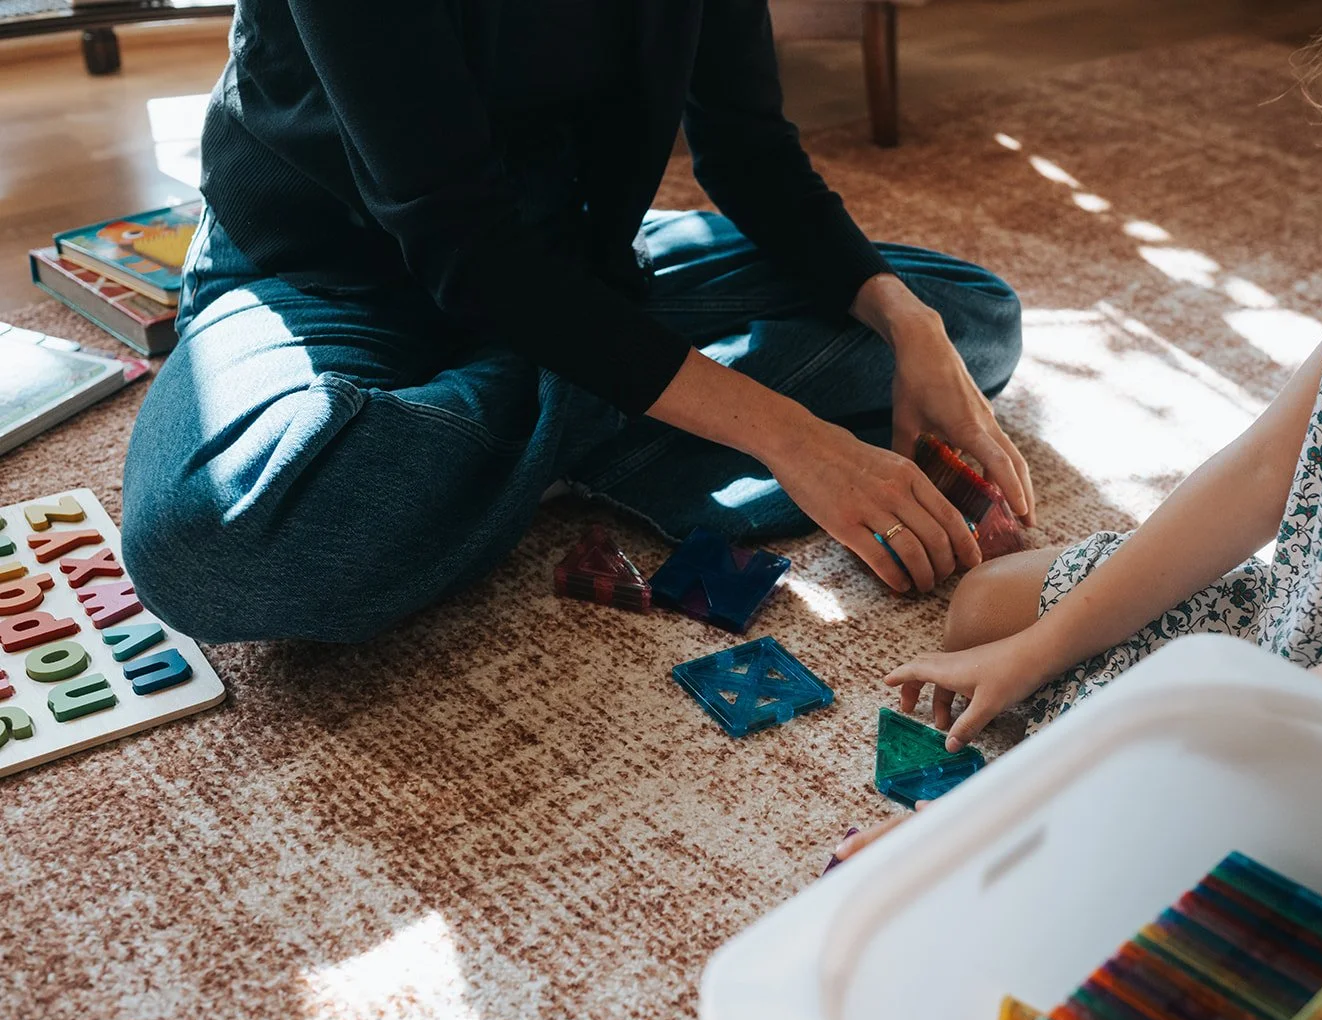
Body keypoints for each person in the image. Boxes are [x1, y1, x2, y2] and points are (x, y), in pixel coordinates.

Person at [841, 0, 1322, 863]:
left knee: (1157, 818)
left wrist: (991, 830)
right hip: (1310, 624)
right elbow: (1267, 463)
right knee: (989, 615)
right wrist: (1040, 648)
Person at [119, 0, 1031, 644]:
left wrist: (908, 325)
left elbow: (750, 148)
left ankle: (574, 412)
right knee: (216, 540)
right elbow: (462, 244)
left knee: (971, 319)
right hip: (327, 275)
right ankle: (628, 406)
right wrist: (791, 436)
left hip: (572, 270)